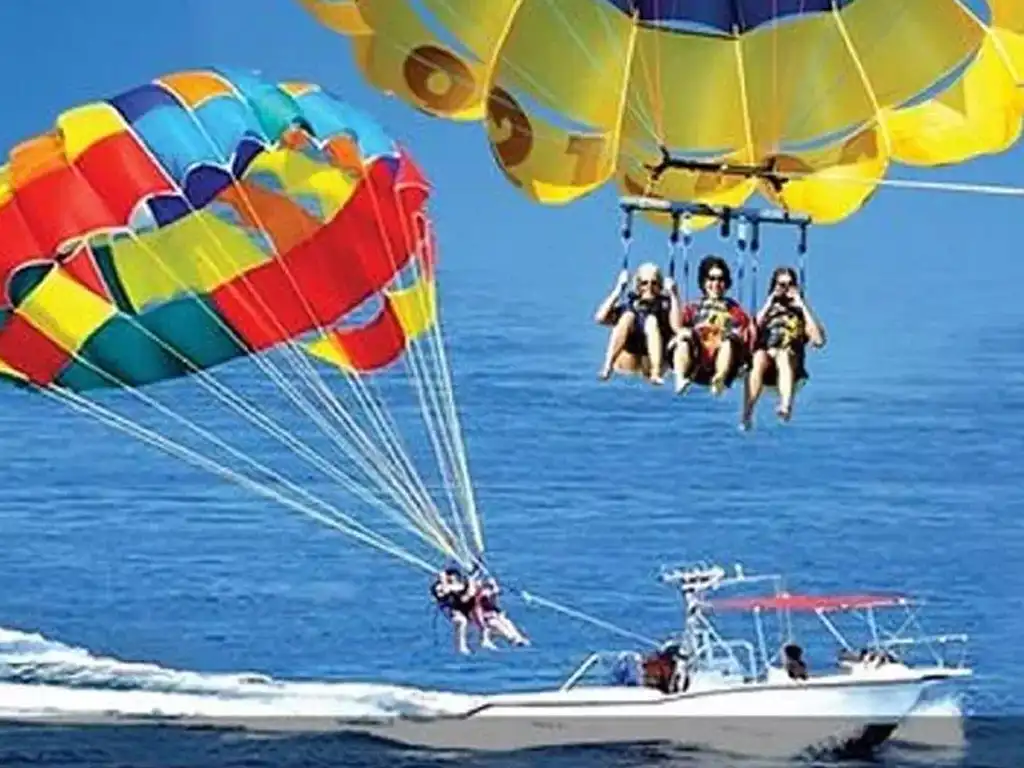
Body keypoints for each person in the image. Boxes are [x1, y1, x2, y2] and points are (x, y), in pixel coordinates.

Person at [740, 267, 826, 430]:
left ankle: (785, 406)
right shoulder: (767, 312)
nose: (786, 290)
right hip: (766, 364)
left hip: (791, 363)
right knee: (758, 356)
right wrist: (770, 301)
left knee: (783, 354)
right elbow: (749, 334)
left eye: (790, 285)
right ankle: (747, 413)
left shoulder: (801, 314)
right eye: (781, 285)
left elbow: (819, 340)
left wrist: (802, 304)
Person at [671, 256, 755, 395]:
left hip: (721, 354)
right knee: (683, 338)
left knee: (729, 340)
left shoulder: (734, 310)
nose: (716, 283)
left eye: (720, 279)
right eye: (711, 278)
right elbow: (676, 327)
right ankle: (681, 376)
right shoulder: (694, 307)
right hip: (697, 357)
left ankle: (719, 378)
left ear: (726, 283)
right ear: (704, 282)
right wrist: (674, 295)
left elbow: (746, 335)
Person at [595, 262, 683, 386]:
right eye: (644, 283)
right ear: (638, 285)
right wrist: (618, 289)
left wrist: (674, 294)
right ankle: (607, 366)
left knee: (651, 321)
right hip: (629, 358)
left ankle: (655, 373)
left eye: (654, 283)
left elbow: (677, 327)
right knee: (627, 317)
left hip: (653, 355)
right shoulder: (630, 306)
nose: (649, 287)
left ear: (660, 286)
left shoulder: (665, 307)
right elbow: (600, 318)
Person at [430, 567, 478, 654]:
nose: (453, 580)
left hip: (462, 607)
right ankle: (461, 647)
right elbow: (445, 590)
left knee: (465, 624)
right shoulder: (439, 586)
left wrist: (471, 580)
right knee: (461, 621)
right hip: (449, 608)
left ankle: (463, 646)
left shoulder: (460, 585)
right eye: (451, 579)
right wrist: (443, 580)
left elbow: (469, 593)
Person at [473, 577, 530, 649]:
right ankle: (512, 639)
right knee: (495, 622)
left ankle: (518, 637)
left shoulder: (489, 597)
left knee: (506, 621)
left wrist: (497, 613)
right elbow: (477, 613)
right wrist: (485, 622)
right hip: (485, 621)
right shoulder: (479, 598)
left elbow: (494, 607)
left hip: (490, 617)